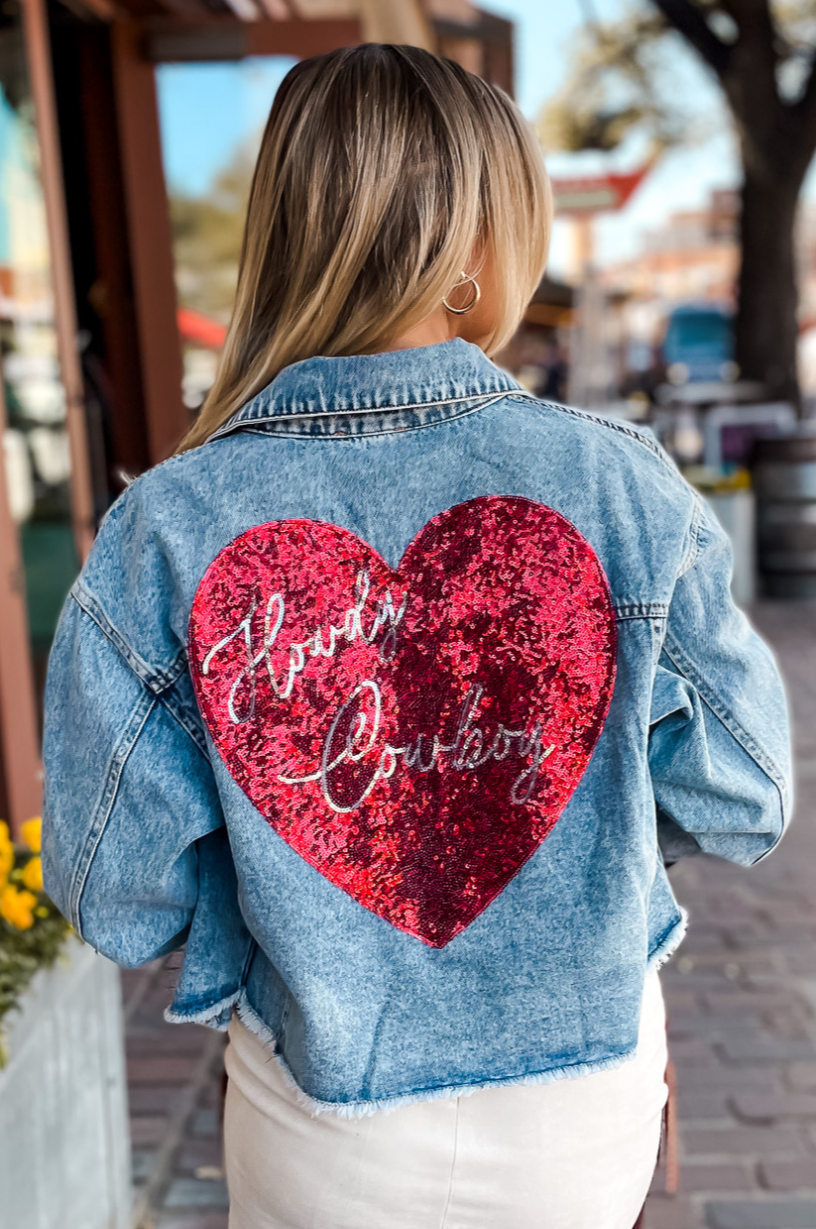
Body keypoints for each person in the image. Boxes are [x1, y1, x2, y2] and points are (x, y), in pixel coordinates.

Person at [41, 44, 792, 1229]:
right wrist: (578, 842)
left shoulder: (166, 528)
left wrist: (297, 897)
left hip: (320, 1123)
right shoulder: (620, 485)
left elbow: (112, 894)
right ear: (480, 245)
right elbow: (744, 793)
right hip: (581, 1110)